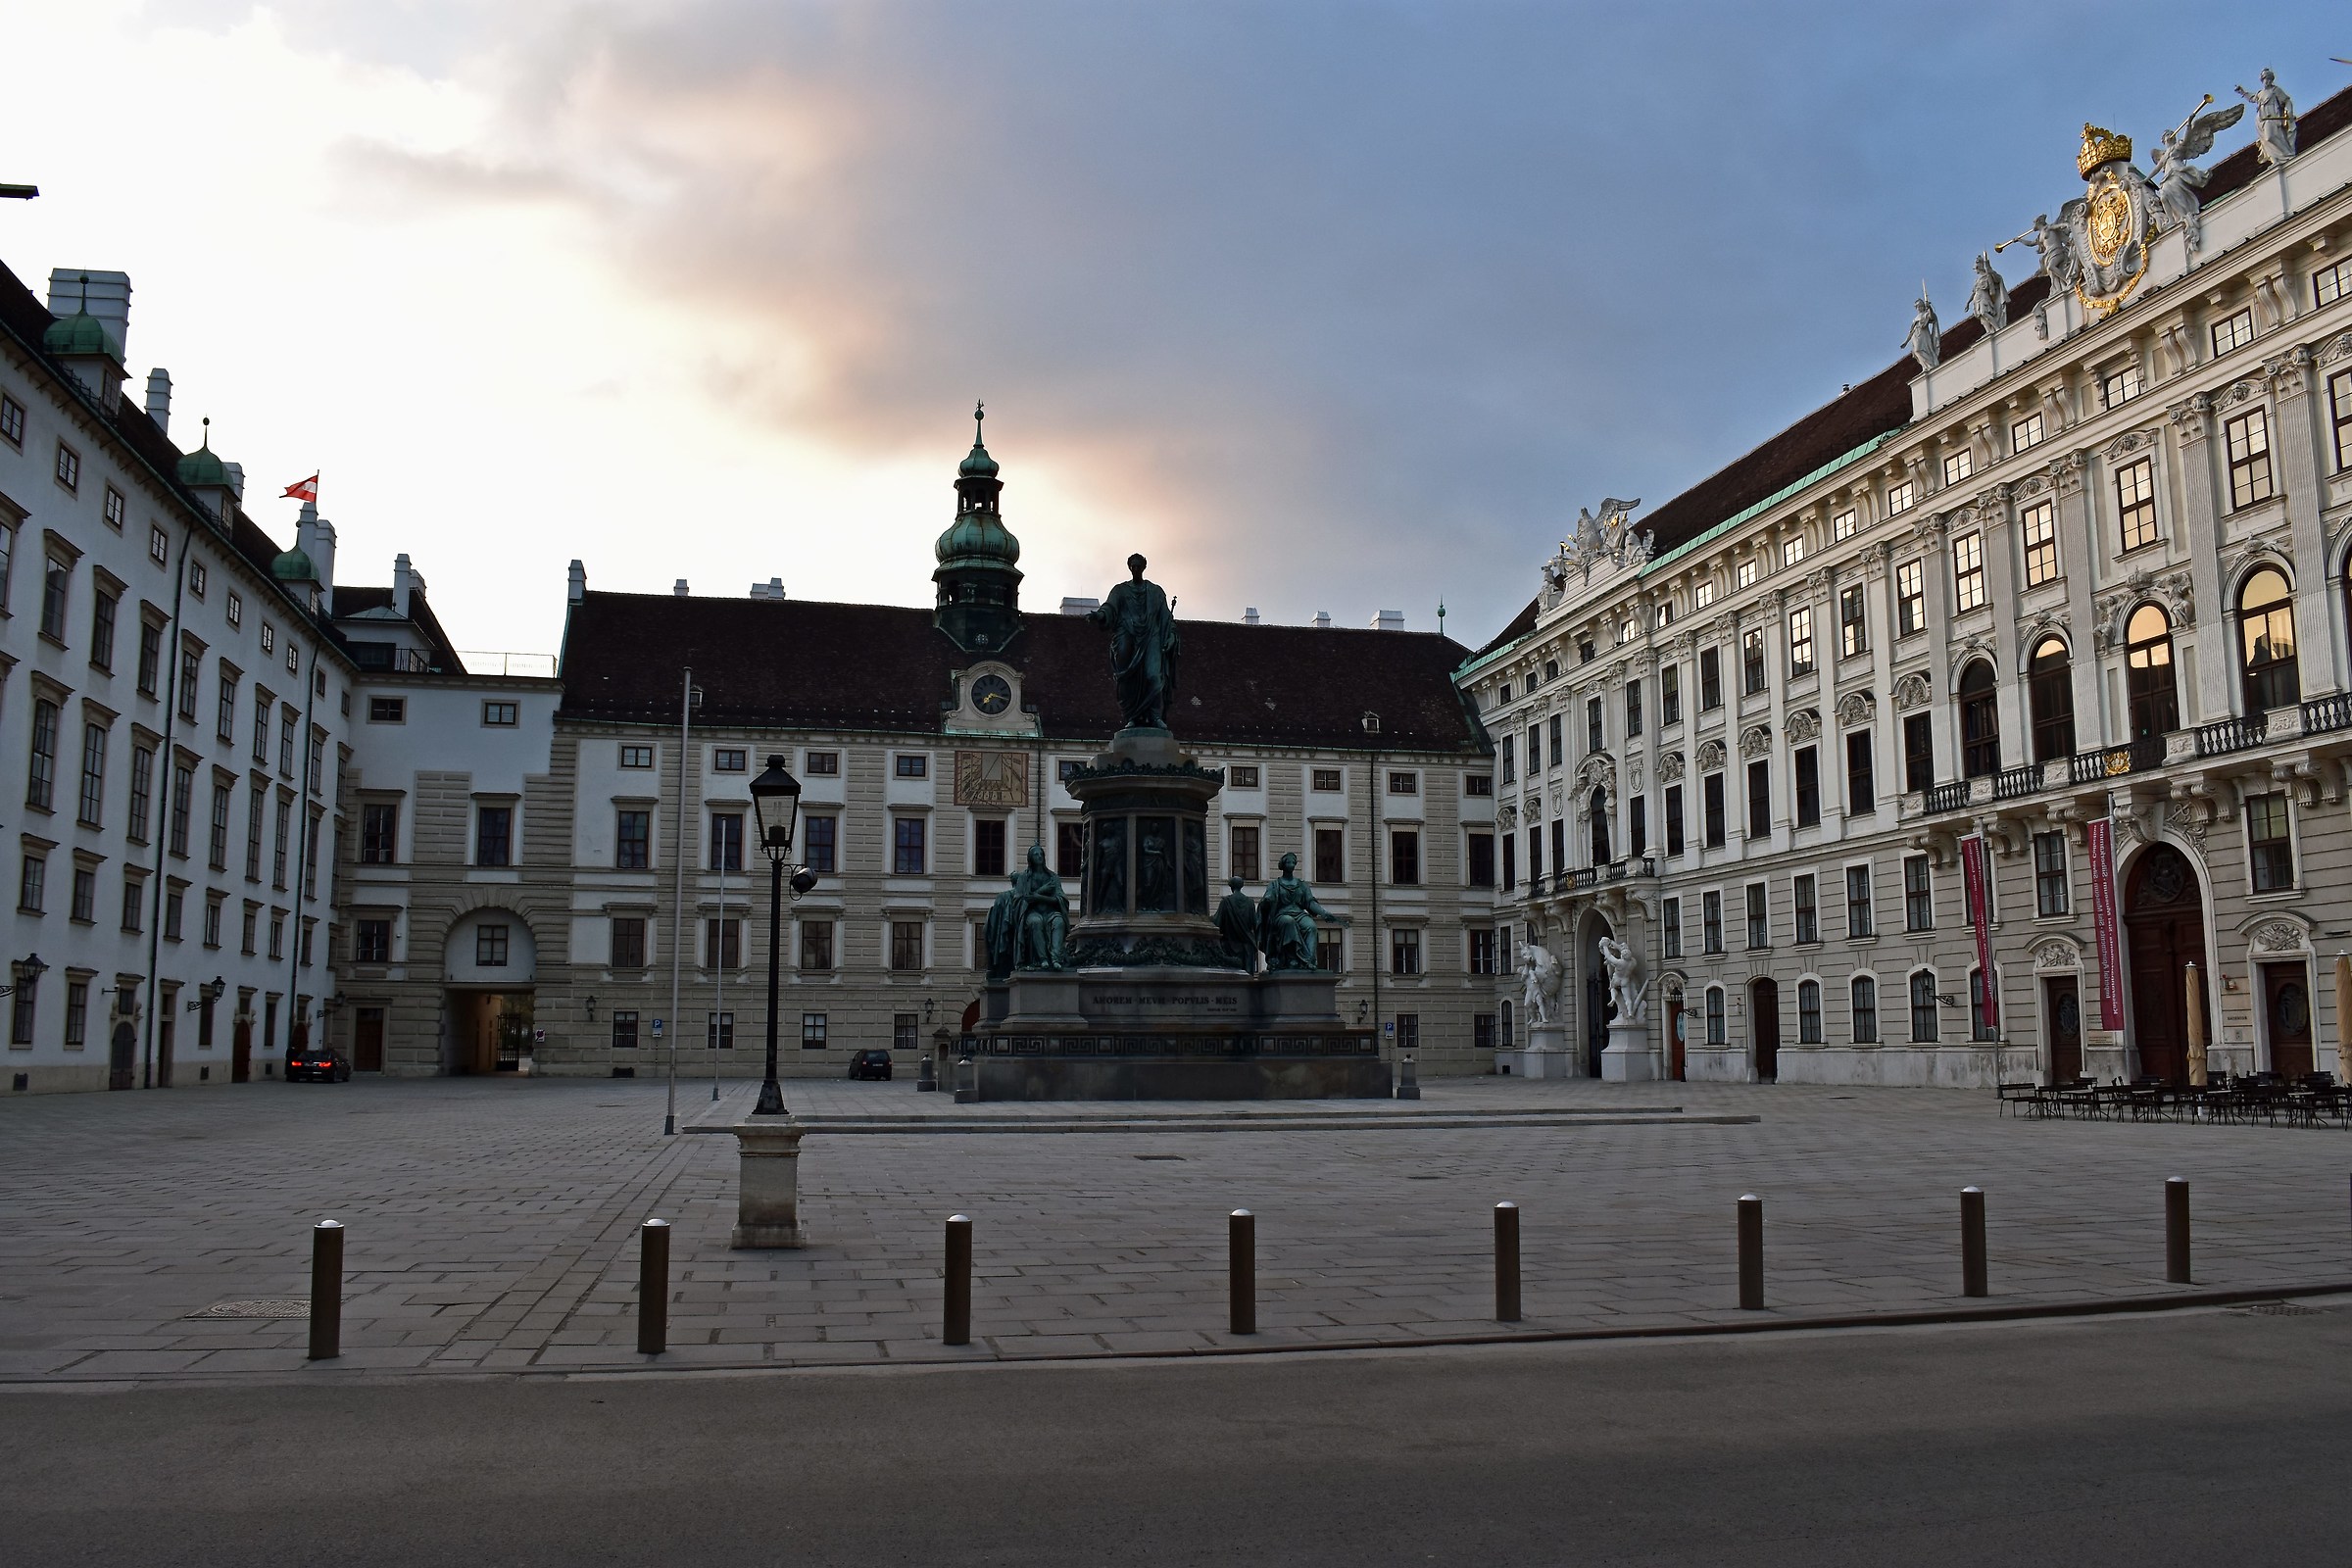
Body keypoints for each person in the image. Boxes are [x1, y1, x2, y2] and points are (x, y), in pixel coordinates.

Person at [1087, 554, 1181, 731]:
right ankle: (1132, 717)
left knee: (1154, 675)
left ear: (1144, 567)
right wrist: (1099, 615)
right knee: (1127, 679)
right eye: (1133, 566)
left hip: (1151, 636)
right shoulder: (1120, 591)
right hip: (1127, 635)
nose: (1136, 569)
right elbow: (1110, 607)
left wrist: (1170, 636)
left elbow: (1167, 619)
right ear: (1129, 567)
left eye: (1139, 566)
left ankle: (1155, 715)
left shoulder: (1156, 592)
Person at [1257, 853, 1348, 971]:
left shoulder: (1302, 885)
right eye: (1289, 862)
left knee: (1311, 926)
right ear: (1283, 865)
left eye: (1293, 862)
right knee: (1289, 923)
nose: (1291, 865)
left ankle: (1308, 961)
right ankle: (1291, 959)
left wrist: (1323, 913)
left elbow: (1310, 902)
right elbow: (1266, 902)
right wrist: (1267, 901)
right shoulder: (1275, 885)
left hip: (1299, 913)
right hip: (1282, 915)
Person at [1214, 876, 1260, 972]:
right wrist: (1256, 942)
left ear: (1231, 887)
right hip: (1247, 946)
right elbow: (1255, 924)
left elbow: (1217, 922)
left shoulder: (1226, 902)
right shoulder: (1250, 902)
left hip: (1230, 946)